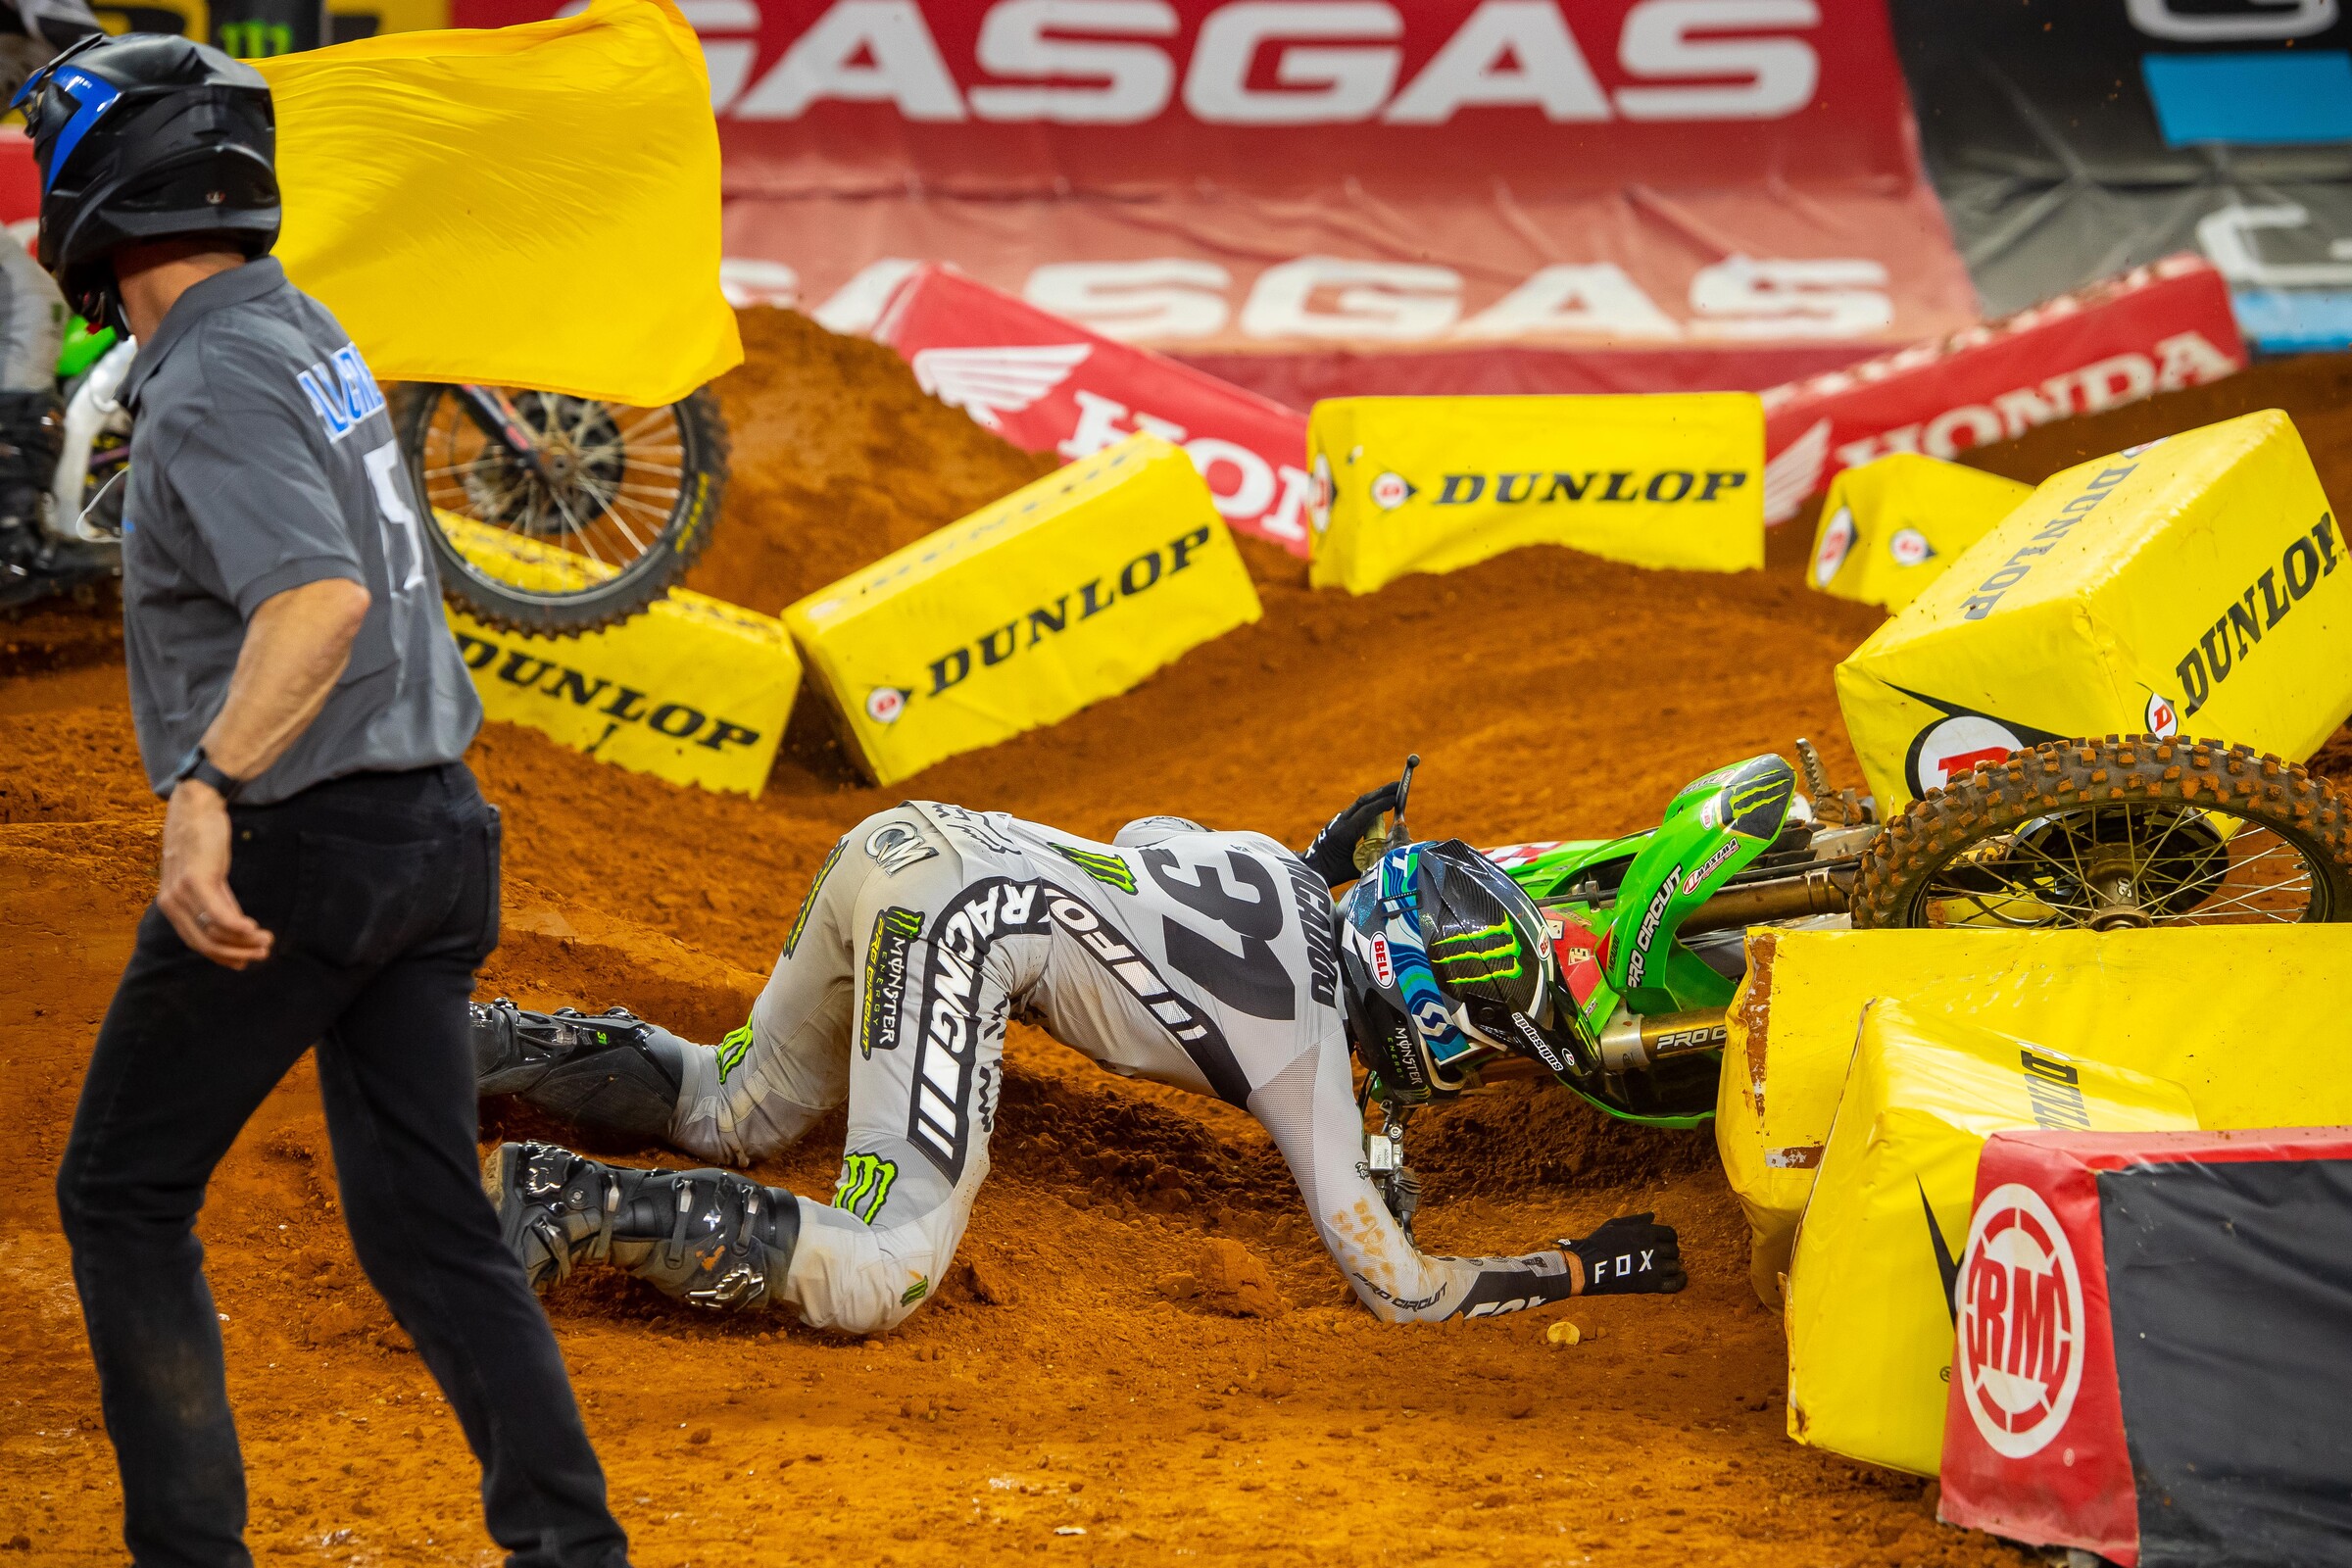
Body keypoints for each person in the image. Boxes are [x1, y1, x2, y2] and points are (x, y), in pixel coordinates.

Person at [29, 35, 630, 1567]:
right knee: (428, 1228)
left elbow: (316, 599)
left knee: (120, 1194)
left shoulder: (209, 384)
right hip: (434, 838)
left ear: (100, 193)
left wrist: (206, 790)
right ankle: (572, 1547)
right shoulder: (300, 328)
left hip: (305, 842)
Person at [479, 789, 1685, 1334]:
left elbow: (1148, 837)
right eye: (1476, 1041)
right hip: (961, 923)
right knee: (889, 1269)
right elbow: (1403, 1289)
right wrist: (1580, 1267)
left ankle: (465, 1043)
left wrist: (1315, 865)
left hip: (903, 840)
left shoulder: (1272, 861)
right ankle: (569, 1200)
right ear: (1428, 1016)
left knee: (729, 1102)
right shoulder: (1306, 1068)